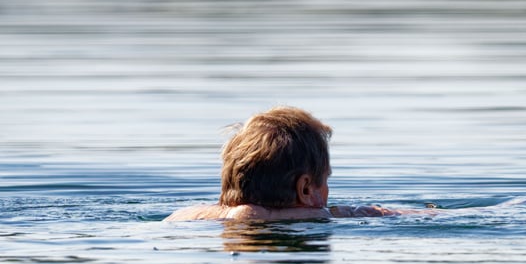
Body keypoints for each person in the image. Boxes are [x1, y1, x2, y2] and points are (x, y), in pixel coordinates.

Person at [165, 106, 408, 221]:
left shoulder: (189, 217)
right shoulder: (320, 217)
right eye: (325, 179)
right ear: (305, 189)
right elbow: (249, 214)